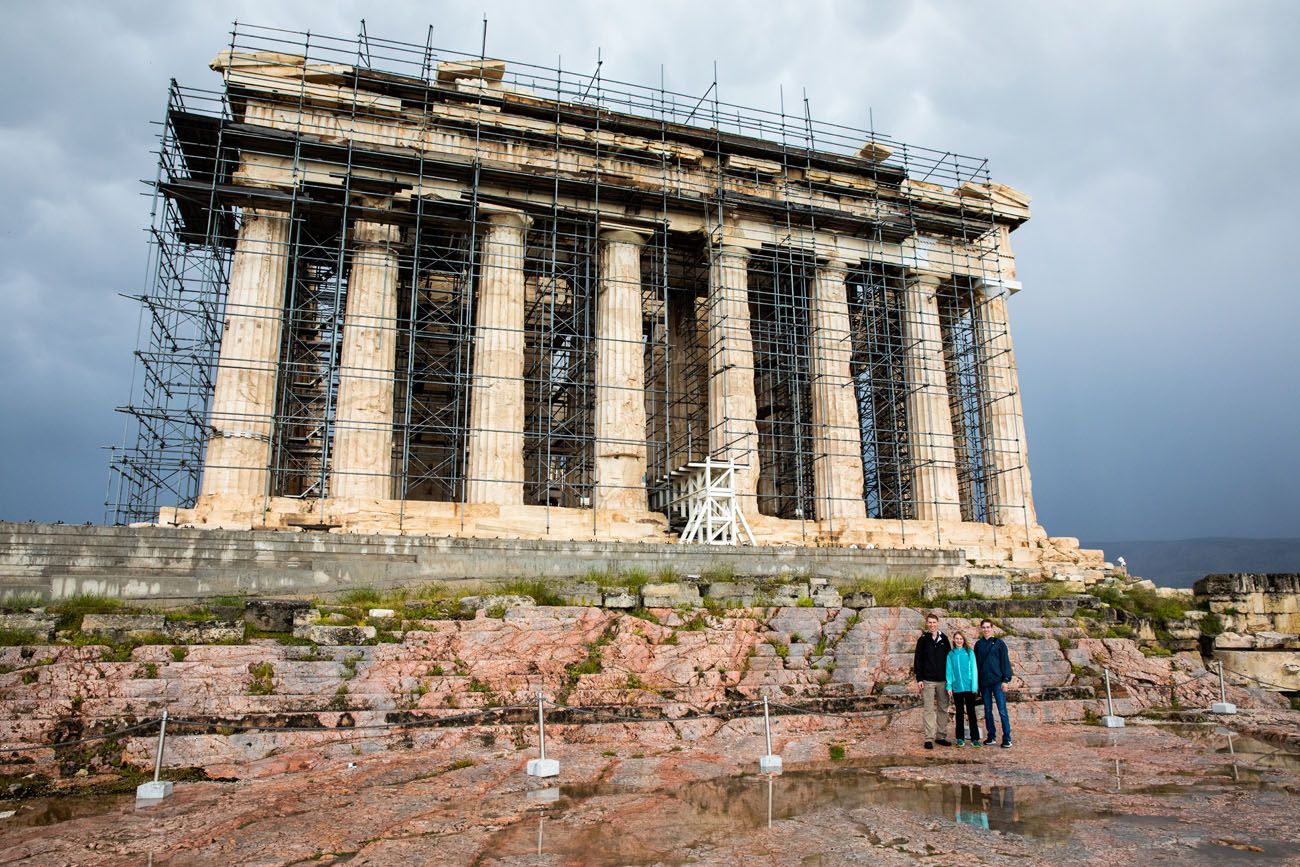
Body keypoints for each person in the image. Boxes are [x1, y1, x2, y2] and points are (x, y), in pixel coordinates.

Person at [913, 612, 952, 749]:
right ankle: (929, 738)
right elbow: (918, 659)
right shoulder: (923, 639)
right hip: (928, 680)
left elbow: (950, 659)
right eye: (929, 622)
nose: (932, 625)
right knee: (928, 709)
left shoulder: (944, 639)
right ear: (927, 624)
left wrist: (950, 680)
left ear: (937, 623)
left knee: (943, 708)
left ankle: (941, 736)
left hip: (943, 680)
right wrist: (919, 678)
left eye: (934, 622)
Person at [975, 619, 1013, 748]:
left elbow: (1005, 662)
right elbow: (977, 666)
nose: (986, 629)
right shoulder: (978, 645)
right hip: (985, 683)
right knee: (988, 711)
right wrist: (977, 684)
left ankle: (1007, 738)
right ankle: (991, 736)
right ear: (981, 629)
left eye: (988, 627)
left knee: (1002, 710)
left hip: (998, 682)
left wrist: (1006, 680)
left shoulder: (999, 644)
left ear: (992, 628)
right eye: (983, 627)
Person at [945, 630, 980, 746]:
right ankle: (960, 738)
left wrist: (974, 686)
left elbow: (974, 670)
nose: (959, 640)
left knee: (971, 713)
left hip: (969, 687)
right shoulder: (951, 654)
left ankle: (975, 739)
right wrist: (949, 686)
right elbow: (949, 671)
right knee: (959, 713)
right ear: (954, 640)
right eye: (957, 639)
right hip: (957, 688)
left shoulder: (969, 652)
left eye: (961, 639)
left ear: (963, 640)